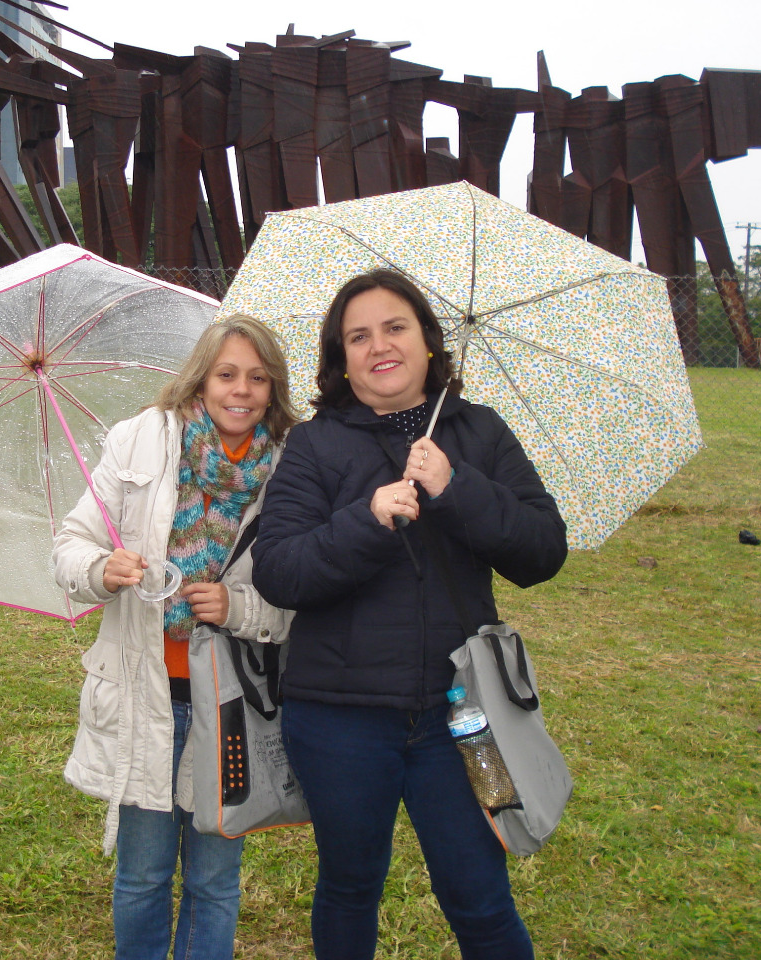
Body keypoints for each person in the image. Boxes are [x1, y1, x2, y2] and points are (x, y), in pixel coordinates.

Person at [251, 269, 568, 960]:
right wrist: (365, 520)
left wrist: (456, 487)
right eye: (358, 336)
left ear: (427, 340)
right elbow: (279, 572)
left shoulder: (479, 432)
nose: (379, 346)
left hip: (462, 712)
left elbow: (543, 552)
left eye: (395, 327)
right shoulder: (314, 443)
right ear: (341, 359)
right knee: (349, 885)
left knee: (480, 896)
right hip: (339, 715)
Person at [52, 315, 297, 960]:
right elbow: (71, 544)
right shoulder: (139, 441)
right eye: (226, 374)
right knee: (143, 873)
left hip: (231, 704)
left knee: (215, 880)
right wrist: (101, 569)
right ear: (200, 380)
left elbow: (303, 597)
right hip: (146, 694)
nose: (240, 390)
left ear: (273, 389)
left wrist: (237, 607)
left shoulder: (291, 469)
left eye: (257, 378)